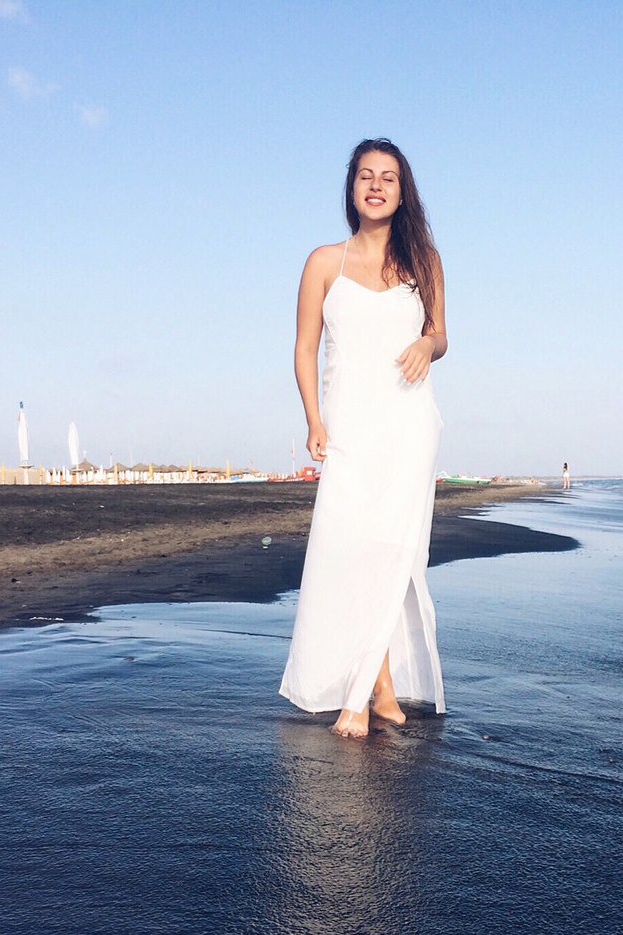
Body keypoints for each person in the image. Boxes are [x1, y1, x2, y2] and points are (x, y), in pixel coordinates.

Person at [279, 138, 448, 738]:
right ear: (352, 188)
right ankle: (379, 689)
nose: (376, 186)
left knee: (392, 553)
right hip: (349, 427)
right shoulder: (324, 262)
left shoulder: (423, 260)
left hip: (409, 424)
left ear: (403, 192)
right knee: (351, 550)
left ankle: (365, 696)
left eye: (388, 178)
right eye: (366, 176)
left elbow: (441, 335)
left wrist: (427, 344)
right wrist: (313, 420)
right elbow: (303, 348)